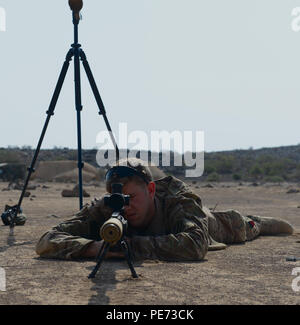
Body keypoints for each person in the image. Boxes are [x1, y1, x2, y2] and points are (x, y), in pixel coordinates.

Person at [35, 158, 294, 261]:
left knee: (241, 227)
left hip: (215, 225)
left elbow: (195, 245)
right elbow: (47, 241)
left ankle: (258, 223)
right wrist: (94, 248)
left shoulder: (177, 198)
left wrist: (130, 248)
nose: (124, 205)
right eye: (117, 198)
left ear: (149, 190)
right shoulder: (107, 205)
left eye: (130, 197)